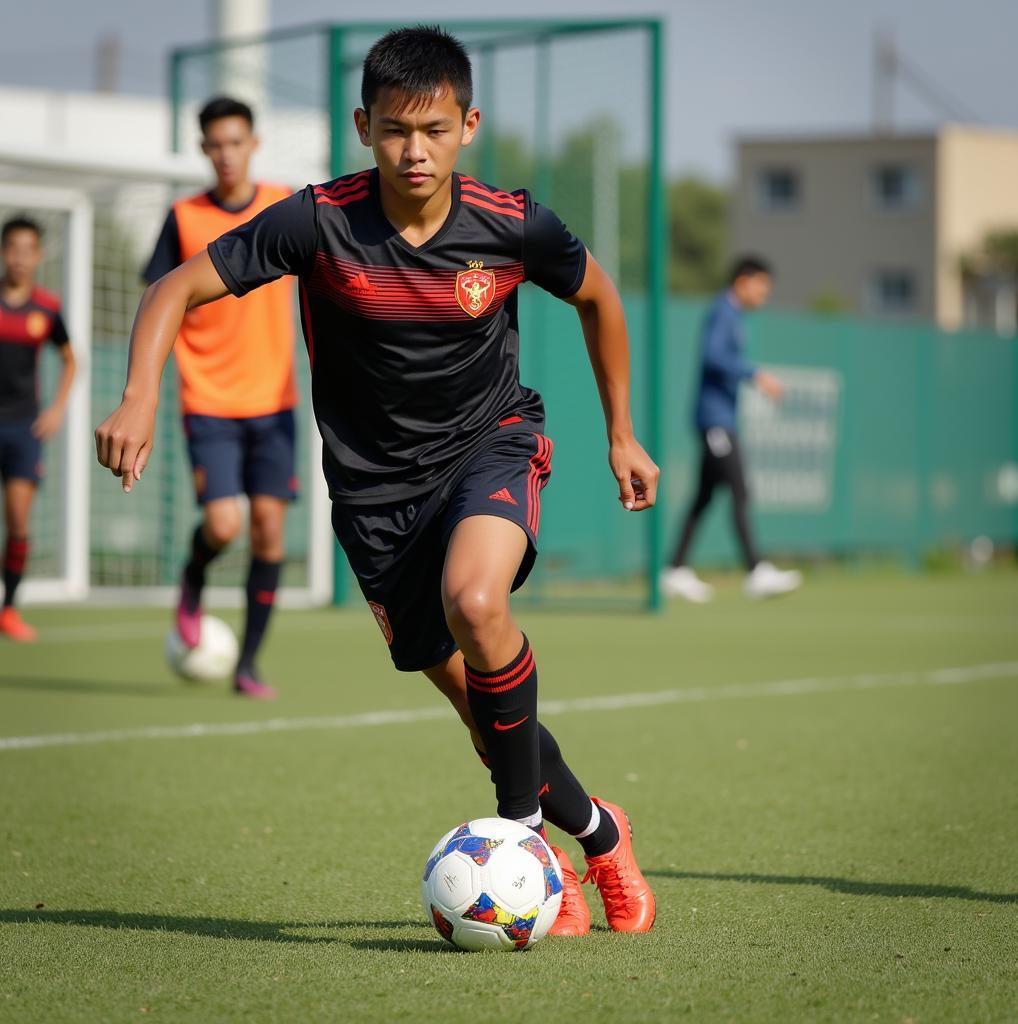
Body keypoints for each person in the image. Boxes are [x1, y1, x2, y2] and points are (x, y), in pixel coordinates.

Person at [97, 26, 658, 937]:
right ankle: (598, 832)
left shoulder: (511, 222)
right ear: (363, 125)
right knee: (487, 718)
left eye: (434, 128)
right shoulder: (316, 221)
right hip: (374, 498)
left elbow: (599, 296)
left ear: (467, 124)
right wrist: (137, 399)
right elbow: (170, 290)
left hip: (490, 444)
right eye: (396, 129)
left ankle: (522, 848)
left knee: (478, 603)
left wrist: (623, 434)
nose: (415, 149)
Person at [143, 96, 297, 699]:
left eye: (237, 142)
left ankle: (248, 664)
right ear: (204, 149)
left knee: (268, 531)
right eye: (216, 144)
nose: (227, 154)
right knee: (225, 523)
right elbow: (157, 298)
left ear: (252, 144)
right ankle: (192, 576)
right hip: (208, 399)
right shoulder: (183, 217)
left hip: (275, 400)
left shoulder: (284, 204)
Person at [662, 256, 802, 601]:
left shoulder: (734, 315)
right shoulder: (723, 312)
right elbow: (712, 356)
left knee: (704, 497)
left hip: (721, 419)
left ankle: (676, 569)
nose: (763, 296)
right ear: (743, 280)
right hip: (714, 421)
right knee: (739, 488)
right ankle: (756, 570)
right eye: (761, 288)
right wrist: (755, 374)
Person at [0, 216, 76, 641]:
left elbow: (71, 359)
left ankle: (8, 609)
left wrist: (57, 409)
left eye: (28, 250)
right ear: (3, 251)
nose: (20, 258)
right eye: (13, 248)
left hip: (23, 431)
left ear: (38, 256)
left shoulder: (46, 308)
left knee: (18, 521)